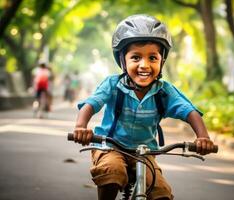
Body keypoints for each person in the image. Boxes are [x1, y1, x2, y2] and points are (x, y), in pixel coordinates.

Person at [72, 14, 215, 200]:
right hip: (110, 147)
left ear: (162, 61)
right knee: (112, 171)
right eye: (136, 57)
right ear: (123, 61)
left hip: (145, 152)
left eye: (153, 58)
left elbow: (190, 111)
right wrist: (81, 127)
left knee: (161, 192)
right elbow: (91, 104)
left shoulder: (165, 91)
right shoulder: (112, 85)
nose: (144, 65)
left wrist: (203, 137)